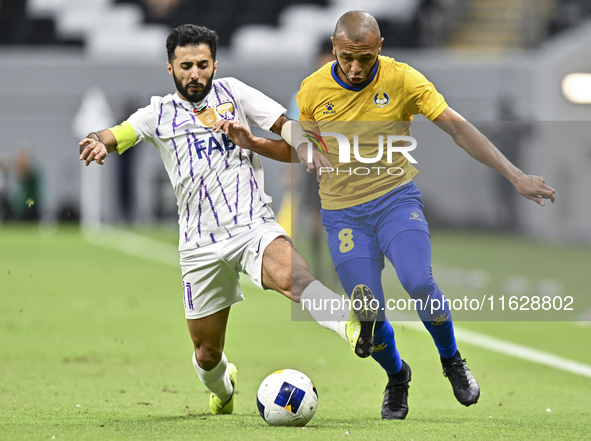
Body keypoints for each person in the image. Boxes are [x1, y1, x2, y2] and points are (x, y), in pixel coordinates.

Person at [78, 24, 378, 416]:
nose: (195, 73)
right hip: (199, 245)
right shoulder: (159, 113)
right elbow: (119, 133)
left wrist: (298, 145)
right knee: (206, 353)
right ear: (171, 68)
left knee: (294, 277)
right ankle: (223, 389)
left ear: (215, 64)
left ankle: (353, 327)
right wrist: (99, 140)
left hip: (252, 225)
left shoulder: (235, 93)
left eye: (203, 64)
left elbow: (285, 124)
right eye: (186, 65)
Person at [296, 11, 556, 420]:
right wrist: (301, 146)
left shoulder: (405, 81)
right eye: (347, 57)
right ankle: (398, 377)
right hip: (343, 216)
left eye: (365, 58)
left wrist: (515, 174)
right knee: (370, 313)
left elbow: (457, 128)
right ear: (334, 48)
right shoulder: (312, 90)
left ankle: (452, 360)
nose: (355, 67)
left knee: (418, 280)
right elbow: (303, 136)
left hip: (395, 202)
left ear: (379, 48)